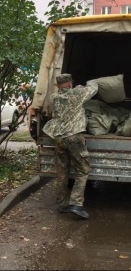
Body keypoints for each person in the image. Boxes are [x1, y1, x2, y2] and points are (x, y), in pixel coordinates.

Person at [43, 73, 98, 219]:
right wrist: (86, 84)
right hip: (74, 137)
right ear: (70, 83)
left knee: (62, 172)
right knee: (82, 169)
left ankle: (61, 205)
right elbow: (94, 88)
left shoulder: (54, 97)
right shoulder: (78, 94)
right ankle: (76, 204)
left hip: (59, 139)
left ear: (58, 86)